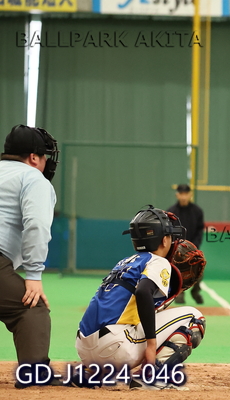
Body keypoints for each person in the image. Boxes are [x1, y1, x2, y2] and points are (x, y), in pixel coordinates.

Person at [74, 205, 206, 390]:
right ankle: (152, 377)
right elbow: (143, 292)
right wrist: (151, 344)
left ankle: (91, 373)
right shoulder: (158, 261)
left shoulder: (126, 262)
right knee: (194, 318)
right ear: (164, 240)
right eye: (170, 235)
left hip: (85, 349)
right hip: (114, 348)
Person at [0, 125, 60, 388]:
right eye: (45, 155)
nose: (47, 161)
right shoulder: (34, 178)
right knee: (31, 308)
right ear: (34, 157)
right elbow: (36, 224)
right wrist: (33, 274)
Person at [168, 184, 205, 305]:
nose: (183, 197)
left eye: (186, 194)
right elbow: (169, 231)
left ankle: (195, 292)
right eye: (181, 194)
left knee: (198, 270)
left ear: (190, 195)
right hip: (175, 249)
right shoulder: (171, 212)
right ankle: (179, 294)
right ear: (177, 195)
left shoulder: (197, 211)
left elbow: (199, 230)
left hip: (193, 249)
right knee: (176, 272)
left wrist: (194, 246)